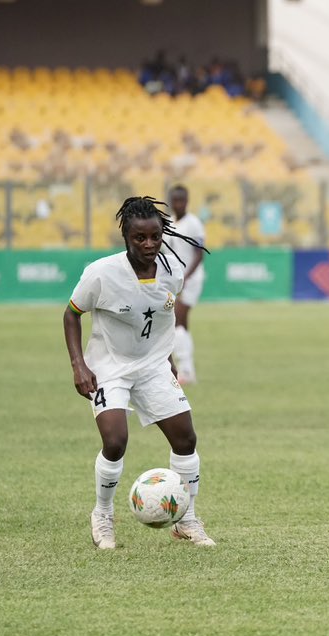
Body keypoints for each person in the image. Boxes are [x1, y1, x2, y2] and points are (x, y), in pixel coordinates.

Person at [63, 196, 215, 550]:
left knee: (186, 439)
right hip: (109, 367)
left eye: (155, 237)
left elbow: (165, 316)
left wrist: (170, 359)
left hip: (152, 365)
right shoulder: (101, 273)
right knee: (115, 442)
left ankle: (187, 519)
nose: (149, 245)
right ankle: (102, 515)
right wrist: (78, 365)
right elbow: (72, 315)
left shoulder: (172, 271)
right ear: (125, 237)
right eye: (139, 238)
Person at [166, 185, 206, 384]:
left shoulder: (194, 223)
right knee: (182, 323)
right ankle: (187, 369)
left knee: (176, 320)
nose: (178, 204)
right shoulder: (170, 223)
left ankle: (186, 371)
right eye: (175, 200)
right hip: (176, 279)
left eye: (181, 200)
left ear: (187, 201)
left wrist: (187, 277)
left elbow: (199, 254)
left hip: (190, 279)